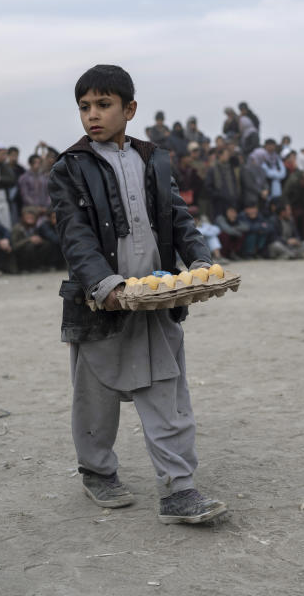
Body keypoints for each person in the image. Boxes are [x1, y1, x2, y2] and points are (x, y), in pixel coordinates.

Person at [48, 64, 226, 524]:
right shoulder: (70, 168)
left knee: (167, 392)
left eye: (103, 105)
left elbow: (178, 217)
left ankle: (179, 489)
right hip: (99, 304)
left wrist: (201, 263)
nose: (93, 115)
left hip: (155, 300)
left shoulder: (154, 159)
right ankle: (98, 473)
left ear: (129, 109)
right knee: (96, 397)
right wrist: (105, 285)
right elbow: (75, 236)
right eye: (84, 107)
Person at [11, 206, 58, 272]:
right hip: (20, 255)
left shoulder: (35, 228)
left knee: (46, 245)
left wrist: (40, 240)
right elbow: (14, 246)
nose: (30, 219)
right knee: (30, 247)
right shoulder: (17, 228)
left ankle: (40, 266)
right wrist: (29, 240)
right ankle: (25, 268)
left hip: (34, 253)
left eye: (32, 217)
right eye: (28, 217)